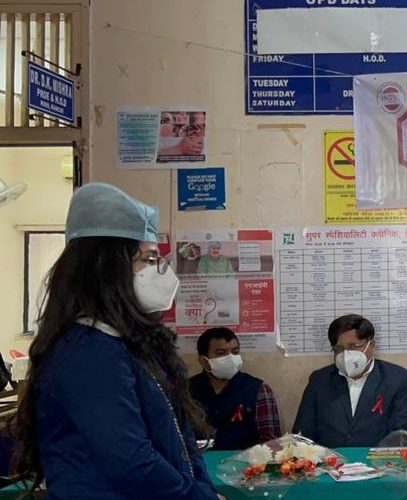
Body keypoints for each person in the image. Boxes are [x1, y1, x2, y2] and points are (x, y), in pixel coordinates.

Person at [10, 183, 220, 499]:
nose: (160, 273)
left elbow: (181, 438)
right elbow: (130, 460)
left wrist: (203, 489)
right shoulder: (87, 352)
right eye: (149, 259)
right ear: (107, 268)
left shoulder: (132, 344)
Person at [293, 315, 407, 447]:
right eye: (339, 349)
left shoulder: (396, 378)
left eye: (354, 346)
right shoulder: (319, 380)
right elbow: (302, 433)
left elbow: (401, 435)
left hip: (377, 458)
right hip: (329, 458)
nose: (346, 355)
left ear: (371, 345)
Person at [189, 327, 282, 451]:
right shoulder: (186, 390)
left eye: (235, 351)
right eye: (221, 353)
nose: (230, 358)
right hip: (198, 459)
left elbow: (271, 443)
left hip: (246, 460)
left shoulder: (258, 390)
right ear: (204, 361)